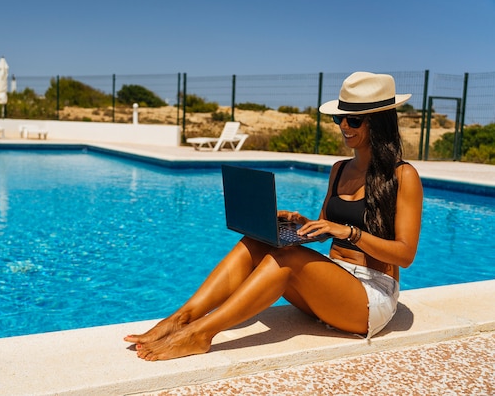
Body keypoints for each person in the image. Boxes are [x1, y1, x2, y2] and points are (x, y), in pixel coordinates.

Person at [124, 71, 423, 361]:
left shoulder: (403, 176)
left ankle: (200, 334)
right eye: (338, 118)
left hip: (370, 298)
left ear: (378, 123)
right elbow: (324, 231)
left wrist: (350, 233)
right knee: (255, 242)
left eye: (353, 119)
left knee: (287, 260)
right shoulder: (339, 170)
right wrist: (302, 224)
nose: (344, 125)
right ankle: (181, 317)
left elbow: (405, 255)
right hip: (332, 286)